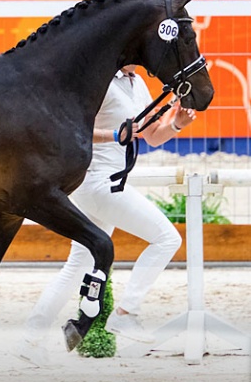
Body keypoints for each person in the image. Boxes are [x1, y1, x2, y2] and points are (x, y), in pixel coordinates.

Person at [18, 65, 198, 366]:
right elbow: (73, 129)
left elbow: (150, 136)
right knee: (167, 238)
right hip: (97, 183)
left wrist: (176, 124)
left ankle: (31, 339)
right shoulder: (99, 79)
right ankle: (126, 313)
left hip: (110, 183)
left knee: (78, 264)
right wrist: (114, 134)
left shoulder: (136, 83)